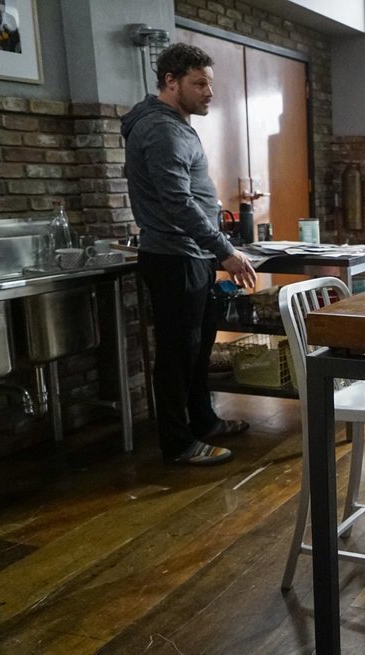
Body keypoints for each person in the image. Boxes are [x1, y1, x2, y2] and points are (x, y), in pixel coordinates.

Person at [122, 43, 258, 466]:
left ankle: (204, 421)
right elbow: (178, 203)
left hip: (191, 254)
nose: (209, 93)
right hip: (175, 257)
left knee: (197, 349)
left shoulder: (174, 124)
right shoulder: (161, 130)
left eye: (209, 84)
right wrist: (226, 251)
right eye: (199, 84)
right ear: (170, 81)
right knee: (178, 354)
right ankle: (178, 444)